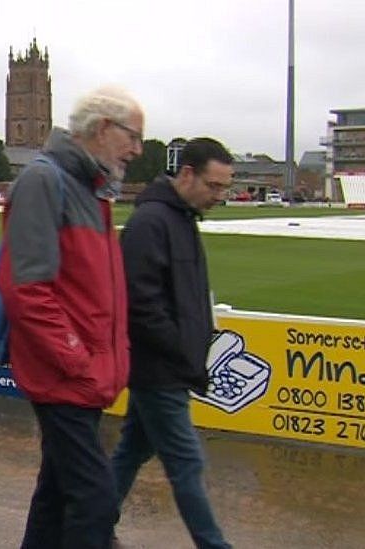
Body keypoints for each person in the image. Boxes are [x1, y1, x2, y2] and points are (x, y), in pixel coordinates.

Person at [0, 85, 142, 549]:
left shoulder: (92, 186)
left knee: (57, 495)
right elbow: (26, 287)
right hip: (62, 375)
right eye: (133, 137)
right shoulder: (45, 180)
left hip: (82, 375)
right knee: (95, 500)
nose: (138, 150)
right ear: (102, 129)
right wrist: (77, 358)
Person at [111, 138, 234, 549]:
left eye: (224, 188)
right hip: (159, 370)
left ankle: (87, 526)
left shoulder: (180, 217)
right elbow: (140, 303)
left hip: (169, 367)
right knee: (186, 463)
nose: (220, 196)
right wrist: (183, 355)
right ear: (186, 174)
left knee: (131, 452)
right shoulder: (152, 223)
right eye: (214, 186)